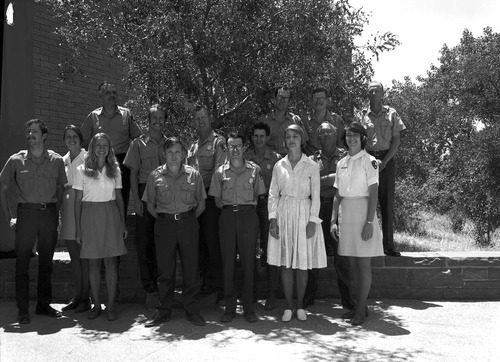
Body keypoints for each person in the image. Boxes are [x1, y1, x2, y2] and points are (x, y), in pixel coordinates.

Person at [0, 119, 67, 324]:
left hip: (48, 214)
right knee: (22, 264)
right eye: (28, 131)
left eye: (34, 131)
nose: (30, 135)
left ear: (44, 135)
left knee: (46, 263)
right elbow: (2, 187)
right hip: (26, 215)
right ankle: (23, 310)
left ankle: (43, 305)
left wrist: (58, 214)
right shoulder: (15, 160)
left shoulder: (56, 160)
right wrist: (9, 216)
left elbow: (61, 188)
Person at [142, 137, 207, 327]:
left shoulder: (194, 175)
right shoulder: (155, 176)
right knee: (165, 270)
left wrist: (189, 218)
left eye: (177, 152)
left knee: (191, 269)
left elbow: (201, 203)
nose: (173, 156)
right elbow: (150, 205)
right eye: (170, 152)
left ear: (184, 154)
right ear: (164, 153)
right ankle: (164, 311)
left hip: (188, 223)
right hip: (165, 225)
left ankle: (192, 311)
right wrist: (166, 218)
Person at [267, 124, 327, 323]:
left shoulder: (311, 165)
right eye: (288, 136)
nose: (291, 140)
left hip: (304, 215)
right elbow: (273, 194)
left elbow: (316, 196)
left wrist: (312, 221)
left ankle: (300, 306)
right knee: (286, 262)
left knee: (302, 264)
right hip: (284, 214)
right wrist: (273, 219)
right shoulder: (279, 165)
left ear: (302, 139)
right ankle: (288, 306)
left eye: (295, 136)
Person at [209, 132, 266, 323]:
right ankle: (230, 308)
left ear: (244, 148)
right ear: (227, 148)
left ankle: (249, 308)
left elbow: (258, 197)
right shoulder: (219, 172)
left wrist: (243, 209)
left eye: (238, 146)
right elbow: (217, 201)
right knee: (228, 262)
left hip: (248, 216)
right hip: (226, 217)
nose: (235, 150)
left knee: (250, 261)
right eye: (231, 146)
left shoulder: (254, 170)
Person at [330, 122, 384, 326]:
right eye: (348, 135)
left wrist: (369, 222)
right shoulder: (341, 162)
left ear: (362, 138)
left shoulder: (370, 162)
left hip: (363, 214)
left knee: (363, 264)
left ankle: (360, 310)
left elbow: (374, 193)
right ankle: (357, 306)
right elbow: (337, 194)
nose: (351, 139)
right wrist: (334, 220)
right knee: (351, 266)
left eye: (355, 135)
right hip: (347, 215)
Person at [74, 133, 128, 321]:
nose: (102, 148)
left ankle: (111, 306)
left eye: (106, 144)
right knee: (93, 263)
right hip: (89, 217)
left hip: (111, 214)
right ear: (92, 147)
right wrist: (78, 229)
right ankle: (96, 305)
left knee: (111, 263)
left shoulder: (115, 169)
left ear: (110, 148)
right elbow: (77, 201)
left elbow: (120, 198)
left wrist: (122, 223)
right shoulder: (81, 169)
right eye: (98, 144)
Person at [305, 122, 354, 310]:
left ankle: (348, 300)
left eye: (329, 131)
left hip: (338, 209)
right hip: (316, 209)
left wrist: (321, 180)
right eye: (322, 132)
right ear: (318, 136)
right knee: (312, 253)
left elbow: (345, 178)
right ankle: (308, 297)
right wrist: (333, 178)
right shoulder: (310, 159)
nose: (326, 135)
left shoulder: (345, 155)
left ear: (336, 134)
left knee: (341, 255)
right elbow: (308, 182)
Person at [80, 81, 143, 219]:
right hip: (100, 161)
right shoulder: (93, 116)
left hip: (121, 161)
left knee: (121, 196)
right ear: (100, 95)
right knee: (100, 194)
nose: (112, 95)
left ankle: (121, 229)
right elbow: (83, 140)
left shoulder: (126, 114)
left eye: (114, 92)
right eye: (108, 92)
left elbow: (138, 138)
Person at [124, 104, 167, 295]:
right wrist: (137, 202)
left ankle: (163, 285)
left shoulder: (169, 144)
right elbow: (133, 173)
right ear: (148, 121)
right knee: (144, 243)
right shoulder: (137, 144)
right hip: (144, 193)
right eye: (154, 118)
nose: (157, 121)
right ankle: (149, 287)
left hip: (165, 196)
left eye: (161, 118)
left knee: (162, 242)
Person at [359, 81, 406, 257]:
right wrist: (368, 161)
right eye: (370, 91)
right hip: (367, 159)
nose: (373, 94)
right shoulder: (361, 115)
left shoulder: (392, 113)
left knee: (386, 203)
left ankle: (388, 246)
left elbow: (396, 140)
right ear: (367, 94)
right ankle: (366, 245)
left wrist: (385, 162)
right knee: (365, 202)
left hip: (387, 159)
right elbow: (358, 140)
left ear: (382, 93)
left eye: (376, 91)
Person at [187, 105, 226, 297]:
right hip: (193, 202)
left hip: (210, 200)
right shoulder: (192, 146)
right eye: (197, 119)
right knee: (198, 243)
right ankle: (202, 282)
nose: (201, 121)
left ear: (209, 119)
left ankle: (215, 285)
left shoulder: (219, 142)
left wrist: (199, 189)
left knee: (212, 242)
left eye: (203, 118)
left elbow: (219, 173)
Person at [244, 122, 282, 311]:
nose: (258, 139)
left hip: (269, 207)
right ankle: (250, 294)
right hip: (249, 207)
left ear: (267, 138)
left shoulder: (276, 159)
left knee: (270, 251)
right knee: (249, 250)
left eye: (262, 136)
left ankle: (271, 295)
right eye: (255, 136)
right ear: (252, 137)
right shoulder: (245, 158)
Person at [59, 125, 91, 313]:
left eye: (75, 137)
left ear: (81, 140)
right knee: (74, 258)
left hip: (83, 212)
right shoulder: (62, 161)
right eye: (68, 137)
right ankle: (78, 296)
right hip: (67, 212)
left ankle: (86, 298)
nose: (71, 140)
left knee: (84, 257)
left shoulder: (88, 158)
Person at [258, 86, 308, 156]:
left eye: (286, 99)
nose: (282, 101)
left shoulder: (295, 120)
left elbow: (303, 144)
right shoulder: (264, 121)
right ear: (274, 98)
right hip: (269, 161)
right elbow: (257, 144)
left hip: (290, 160)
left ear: (289, 101)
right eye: (280, 97)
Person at [303, 87, 345, 156]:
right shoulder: (306, 120)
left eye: (321, 99)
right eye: (315, 98)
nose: (318, 101)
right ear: (312, 101)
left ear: (327, 101)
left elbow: (341, 144)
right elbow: (302, 145)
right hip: (312, 162)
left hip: (332, 161)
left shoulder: (336, 120)